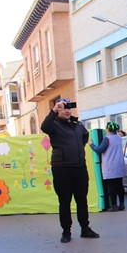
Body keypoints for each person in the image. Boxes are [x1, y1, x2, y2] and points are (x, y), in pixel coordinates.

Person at [41, 98, 100, 243]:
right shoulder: (53, 124)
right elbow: (44, 127)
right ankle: (66, 231)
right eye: (63, 108)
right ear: (58, 110)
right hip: (62, 169)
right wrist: (54, 110)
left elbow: (85, 136)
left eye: (69, 108)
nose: (67, 110)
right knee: (65, 200)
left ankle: (85, 228)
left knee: (82, 200)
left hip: (79, 167)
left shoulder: (77, 124)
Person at [90, 122, 126, 211]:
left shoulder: (107, 139)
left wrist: (91, 144)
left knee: (112, 186)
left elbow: (99, 149)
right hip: (119, 165)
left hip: (110, 166)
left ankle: (114, 205)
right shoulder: (118, 138)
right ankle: (122, 203)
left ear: (107, 129)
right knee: (119, 185)